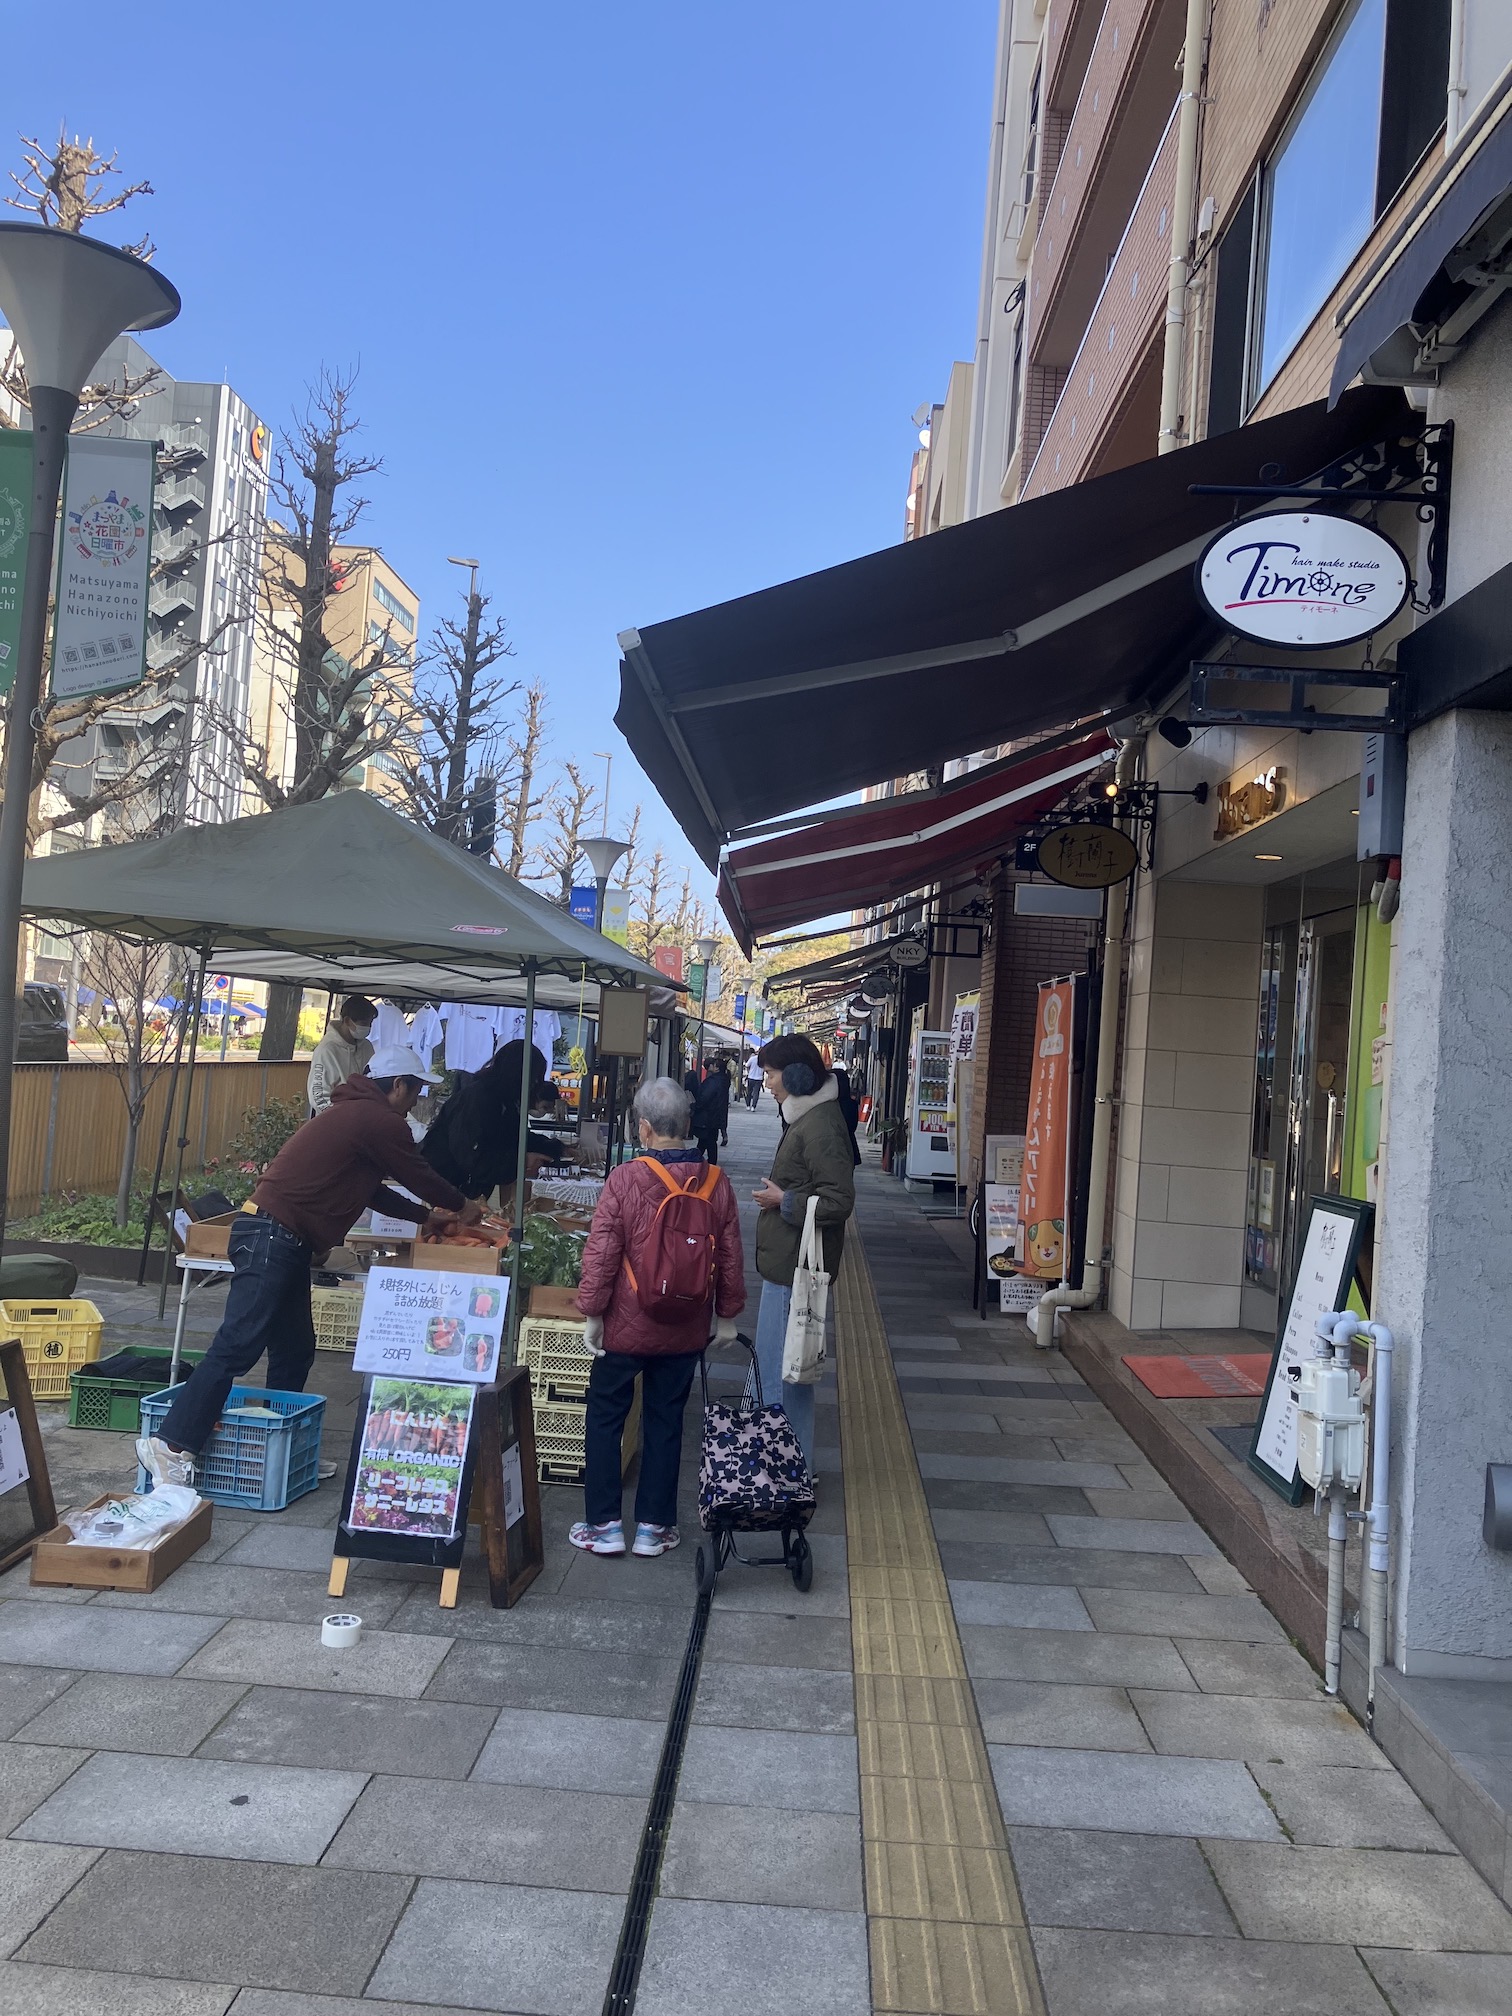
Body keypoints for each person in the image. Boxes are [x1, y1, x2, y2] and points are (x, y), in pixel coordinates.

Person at [138, 1047, 482, 1487]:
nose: (416, 1101)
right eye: (415, 1090)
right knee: (237, 1344)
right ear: (397, 1085)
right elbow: (416, 1173)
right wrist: (461, 1204)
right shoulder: (379, 1121)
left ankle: (277, 1448)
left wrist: (426, 1217)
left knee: (295, 1348)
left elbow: (372, 1190)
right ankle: (170, 1444)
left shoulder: (353, 1115)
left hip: (279, 1237)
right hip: (272, 1236)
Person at [569, 1076, 744, 1557]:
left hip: (626, 1323)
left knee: (606, 1418)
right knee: (665, 1421)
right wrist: (726, 1317)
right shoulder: (715, 1181)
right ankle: (654, 1528)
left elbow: (602, 1252)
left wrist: (592, 1313)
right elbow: (728, 1254)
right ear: (687, 1124)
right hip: (685, 1327)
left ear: (643, 1128)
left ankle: (603, 1526)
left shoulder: (625, 1179)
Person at [750, 1033, 856, 1467]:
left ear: (795, 1075)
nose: (768, 1084)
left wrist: (784, 1201)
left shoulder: (820, 1126)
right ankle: (792, 1465)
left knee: (784, 1372)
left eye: (771, 1074)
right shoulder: (808, 1118)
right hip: (786, 1265)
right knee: (786, 1370)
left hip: (795, 1269)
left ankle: (787, 1469)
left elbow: (839, 1201)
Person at [420, 1040, 563, 1199]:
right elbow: (473, 1156)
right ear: (518, 1074)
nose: (534, 1086)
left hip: (468, 1189)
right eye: (533, 1079)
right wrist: (521, 1161)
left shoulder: (505, 1100)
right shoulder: (479, 1098)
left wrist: (555, 1149)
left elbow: (517, 1137)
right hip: (447, 1187)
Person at [307, 996, 377, 1113]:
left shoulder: (367, 1047)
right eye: (364, 1023)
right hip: (335, 1121)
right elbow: (318, 1096)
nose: (368, 1028)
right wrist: (340, 1116)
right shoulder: (327, 1050)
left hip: (363, 1116)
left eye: (370, 1023)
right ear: (347, 1021)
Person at [691, 1057, 729, 1164]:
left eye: (714, 1064)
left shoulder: (713, 1082)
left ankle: (703, 1163)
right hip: (714, 1116)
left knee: (708, 1142)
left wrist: (695, 1106)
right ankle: (697, 1161)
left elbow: (704, 1098)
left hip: (707, 1116)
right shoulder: (723, 1080)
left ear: (716, 1068)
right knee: (706, 1142)